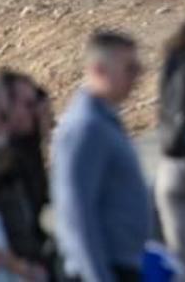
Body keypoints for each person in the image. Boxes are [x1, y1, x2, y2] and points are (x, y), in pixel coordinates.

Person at [51, 31, 150, 282]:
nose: (137, 76)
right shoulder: (85, 127)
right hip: (103, 269)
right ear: (98, 69)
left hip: (121, 264)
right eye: (129, 68)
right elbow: (76, 211)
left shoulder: (104, 121)